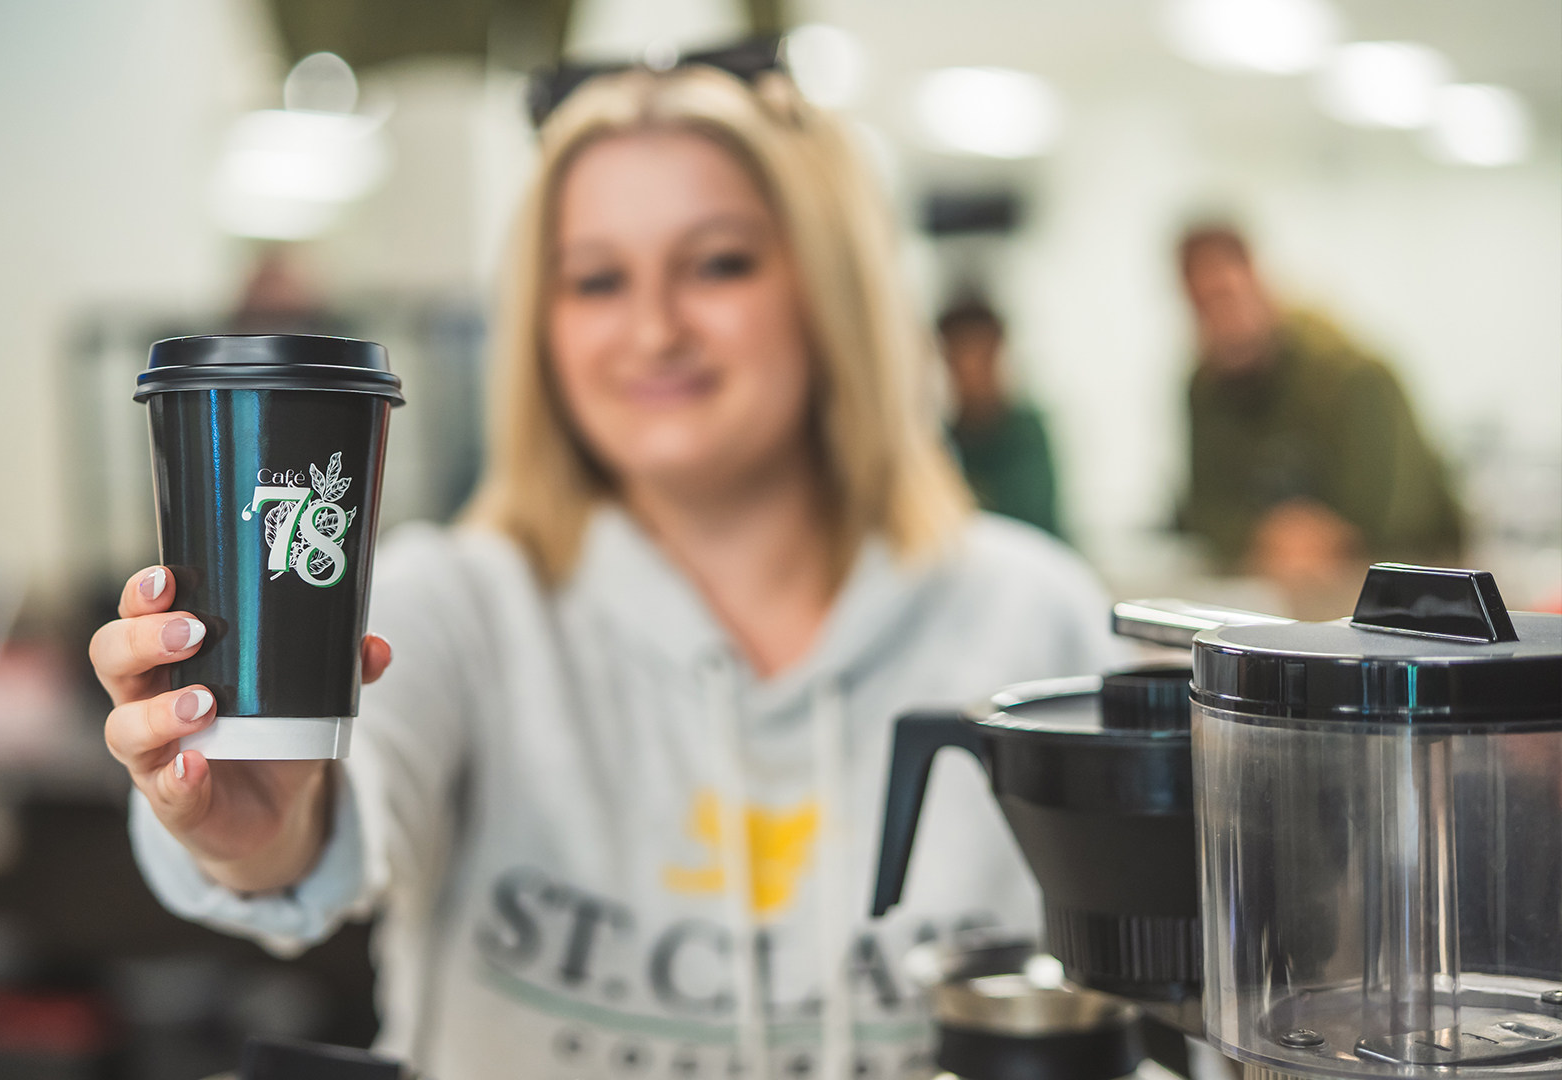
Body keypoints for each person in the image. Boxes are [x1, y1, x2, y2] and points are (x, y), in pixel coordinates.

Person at [94, 59, 1121, 1079]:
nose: (654, 328)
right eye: (595, 280)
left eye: (718, 264)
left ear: (828, 290)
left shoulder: (1034, 620)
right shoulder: (456, 604)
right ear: (542, 328)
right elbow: (313, 840)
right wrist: (255, 827)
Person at [1176, 224, 1463, 585]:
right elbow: (1204, 508)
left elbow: (1401, 510)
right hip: (1279, 590)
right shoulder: (1205, 389)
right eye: (1201, 305)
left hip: (1413, 586)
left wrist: (1327, 539)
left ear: (1257, 280)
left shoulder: (1353, 374)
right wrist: (1265, 537)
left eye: (1224, 294)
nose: (1219, 318)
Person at [935, 299, 1063, 539]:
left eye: (979, 356)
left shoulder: (1026, 436)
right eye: (959, 356)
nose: (970, 372)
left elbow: (1029, 520)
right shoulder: (939, 440)